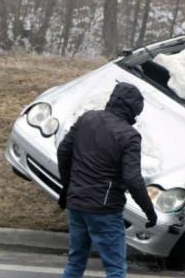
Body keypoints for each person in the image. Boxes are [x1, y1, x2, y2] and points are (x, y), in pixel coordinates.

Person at [57, 82, 157, 278]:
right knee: (115, 269)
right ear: (133, 110)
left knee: (75, 262)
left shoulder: (87, 118)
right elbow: (132, 178)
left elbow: (63, 151)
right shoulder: (129, 136)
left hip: (76, 203)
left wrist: (67, 187)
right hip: (105, 209)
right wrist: (148, 210)